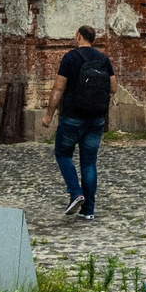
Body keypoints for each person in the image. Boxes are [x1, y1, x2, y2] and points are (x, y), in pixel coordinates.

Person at [50, 25, 113, 219]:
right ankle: (88, 211)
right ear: (93, 39)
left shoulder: (70, 57)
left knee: (63, 154)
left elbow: (58, 87)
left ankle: (75, 192)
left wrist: (48, 114)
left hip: (72, 117)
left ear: (78, 36)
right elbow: (114, 88)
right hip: (96, 119)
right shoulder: (103, 59)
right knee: (89, 162)